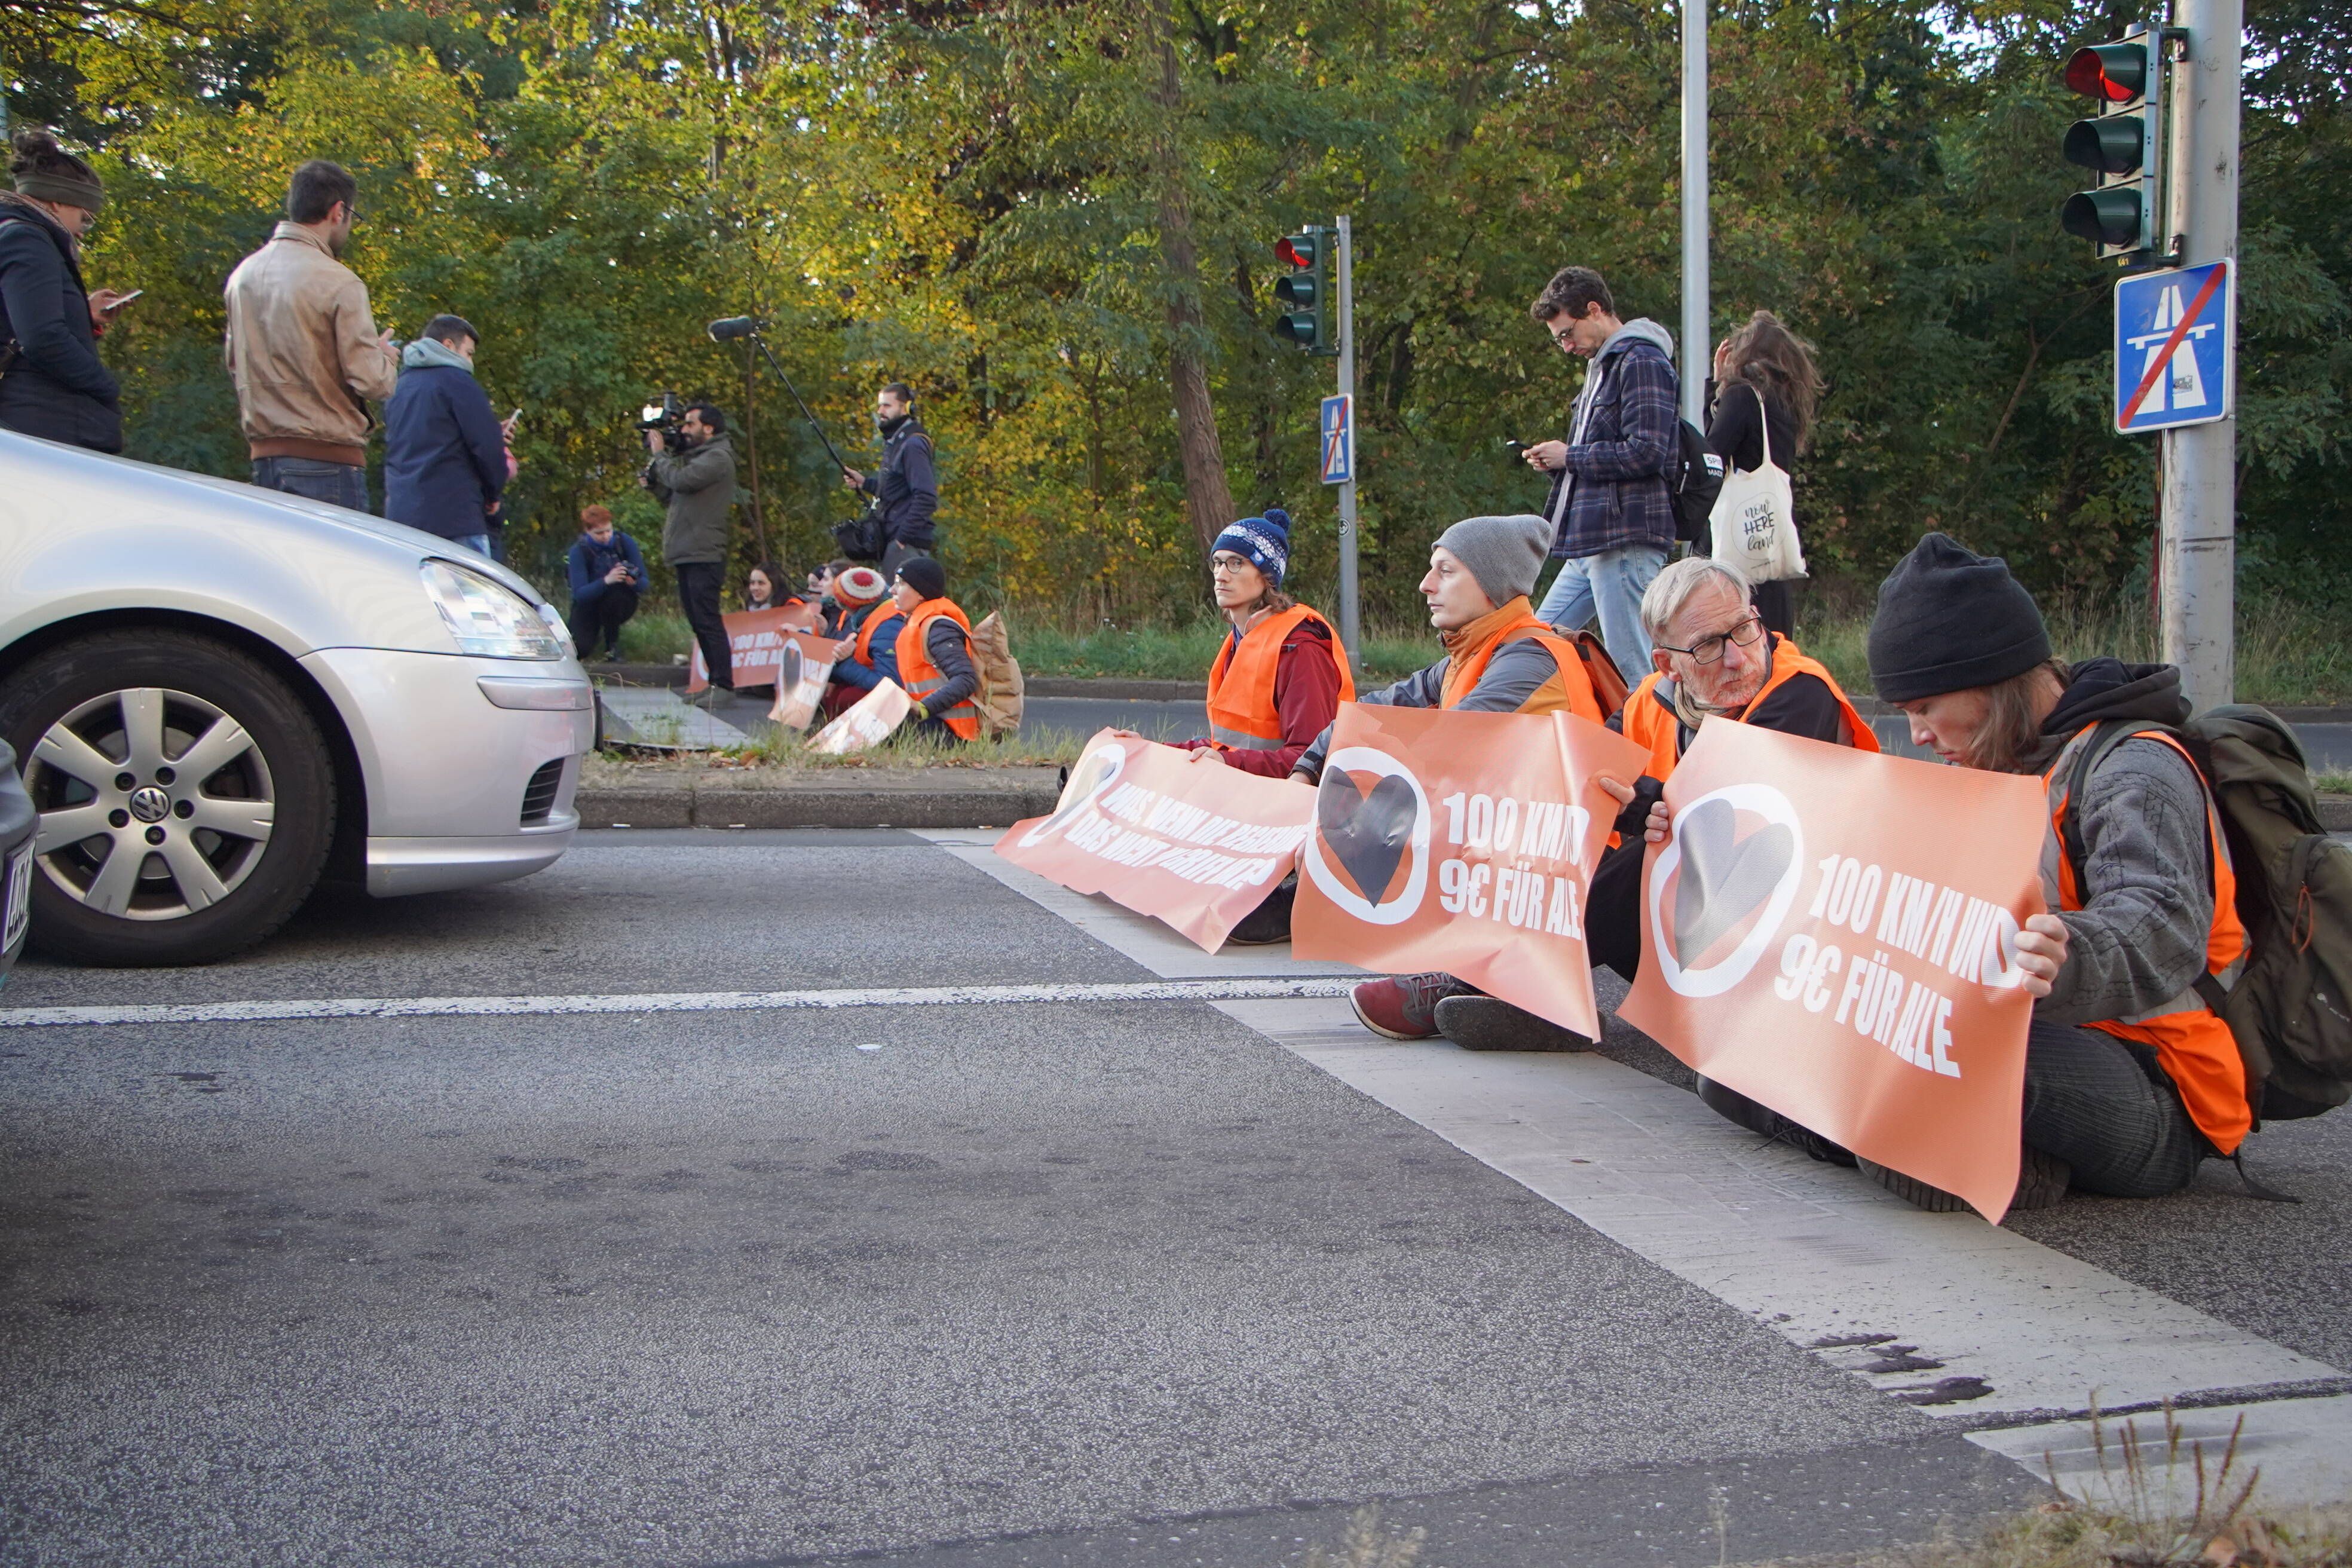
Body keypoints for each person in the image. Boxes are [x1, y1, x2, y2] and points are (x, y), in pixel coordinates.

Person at [1843, 532, 2248, 1210]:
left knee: (1905, 1067)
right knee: (1747, 1076)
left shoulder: (2135, 768)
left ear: (1993, 681)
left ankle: (1990, 1159)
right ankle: (1898, 1132)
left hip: (2159, 1082)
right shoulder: (1987, 757)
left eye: (1923, 707)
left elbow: (2161, 924)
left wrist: (2061, 954)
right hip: (2032, 1038)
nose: (1916, 734)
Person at [1432, 557, 1879, 1054]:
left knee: (1654, 852)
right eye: (1709, 646)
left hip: (1796, 940)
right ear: (1668, 664)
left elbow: (1737, 820)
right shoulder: (1653, 696)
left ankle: (1494, 979)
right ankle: (1523, 985)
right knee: (1561, 834)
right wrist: (1622, 808)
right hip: (1699, 930)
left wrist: (1646, 803)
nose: (1736, 658)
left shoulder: (1799, 692)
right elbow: (1587, 774)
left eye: (1744, 630)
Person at [1283, 514, 1606, 1034]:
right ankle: (1478, 971)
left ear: (1493, 585)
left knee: (1401, 812)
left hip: (1572, 873)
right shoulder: (1471, 654)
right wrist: (1308, 767)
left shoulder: (1531, 659)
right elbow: (1374, 711)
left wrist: (1333, 822)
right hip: (1520, 861)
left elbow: (1440, 753)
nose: (1425, 584)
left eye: (1446, 571)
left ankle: (1472, 974)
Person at [1523, 266, 1678, 675]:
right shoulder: (1603, 368)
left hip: (1624, 538)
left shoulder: (1642, 360)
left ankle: (1660, 738)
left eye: (1567, 334)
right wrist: (1558, 462)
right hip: (1592, 540)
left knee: (1636, 667)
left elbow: (1647, 452)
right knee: (1536, 645)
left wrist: (1569, 457)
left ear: (1594, 309)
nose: (1566, 347)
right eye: (1559, 339)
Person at [223, 160, 400, 512]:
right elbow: (373, 382)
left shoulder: (243, 276)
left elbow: (234, 363)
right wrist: (384, 358)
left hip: (265, 460)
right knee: (337, 566)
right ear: (339, 212)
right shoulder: (339, 281)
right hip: (328, 461)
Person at [1170, 508, 1353, 778]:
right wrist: (1144, 748)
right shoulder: (1242, 638)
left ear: (1267, 576)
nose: (1221, 575)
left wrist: (1226, 762)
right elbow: (1224, 747)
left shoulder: (1300, 646)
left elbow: (1312, 759)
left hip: (1292, 809)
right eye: (1217, 563)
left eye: (1236, 563)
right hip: (1250, 801)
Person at [0, 131, 128, 453]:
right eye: (85, 220)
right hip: (44, 424)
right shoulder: (27, 239)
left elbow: (20, 319)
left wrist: (83, 315)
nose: (82, 233)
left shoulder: (20, 236)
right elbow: (42, 337)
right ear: (57, 201)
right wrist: (104, 385)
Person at [1706, 311, 1823, 639]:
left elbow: (1711, 456)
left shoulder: (1742, 397)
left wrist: (1717, 387)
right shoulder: (1787, 404)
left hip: (1739, 543)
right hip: (1770, 538)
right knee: (1774, 645)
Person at [382, 314, 510, 555]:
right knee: (468, 592)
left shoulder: (399, 386)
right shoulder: (458, 381)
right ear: (449, 346)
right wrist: (493, 493)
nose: (470, 362)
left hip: (403, 515)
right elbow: (486, 447)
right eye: (469, 353)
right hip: (455, 515)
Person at [641, 401, 737, 692]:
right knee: (698, 620)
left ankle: (723, 685)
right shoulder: (701, 458)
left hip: (704, 551)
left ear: (709, 428)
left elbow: (681, 481)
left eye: (690, 424)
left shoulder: (718, 457)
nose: (684, 430)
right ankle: (715, 684)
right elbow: (676, 496)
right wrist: (655, 486)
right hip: (689, 549)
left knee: (707, 619)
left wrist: (659, 456)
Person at [839, 381, 938, 574]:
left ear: (906, 408)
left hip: (906, 545)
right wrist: (865, 483)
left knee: (900, 603)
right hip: (896, 540)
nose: (880, 411)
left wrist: (902, 539)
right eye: (880, 405)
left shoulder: (913, 444)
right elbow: (897, 491)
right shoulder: (897, 441)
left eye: (887, 405)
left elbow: (927, 497)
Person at [889, 556, 979, 742]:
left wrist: (923, 708)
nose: (892, 590)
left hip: (948, 731)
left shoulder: (938, 627)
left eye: (901, 583)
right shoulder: (918, 624)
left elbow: (966, 679)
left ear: (921, 593)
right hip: (930, 723)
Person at [565, 505, 644, 661]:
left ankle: (612, 646)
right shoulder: (578, 552)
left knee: (615, 597)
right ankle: (593, 639)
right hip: (589, 603)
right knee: (579, 648)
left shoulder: (624, 542)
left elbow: (644, 582)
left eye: (609, 531)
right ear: (588, 532)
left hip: (619, 600)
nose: (606, 536)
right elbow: (580, 594)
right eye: (599, 533)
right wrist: (607, 580)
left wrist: (632, 582)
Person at [823, 566, 901, 715]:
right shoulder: (877, 615)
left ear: (848, 606)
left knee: (850, 697)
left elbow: (889, 685)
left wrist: (844, 663)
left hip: (903, 701)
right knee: (838, 692)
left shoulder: (888, 627)